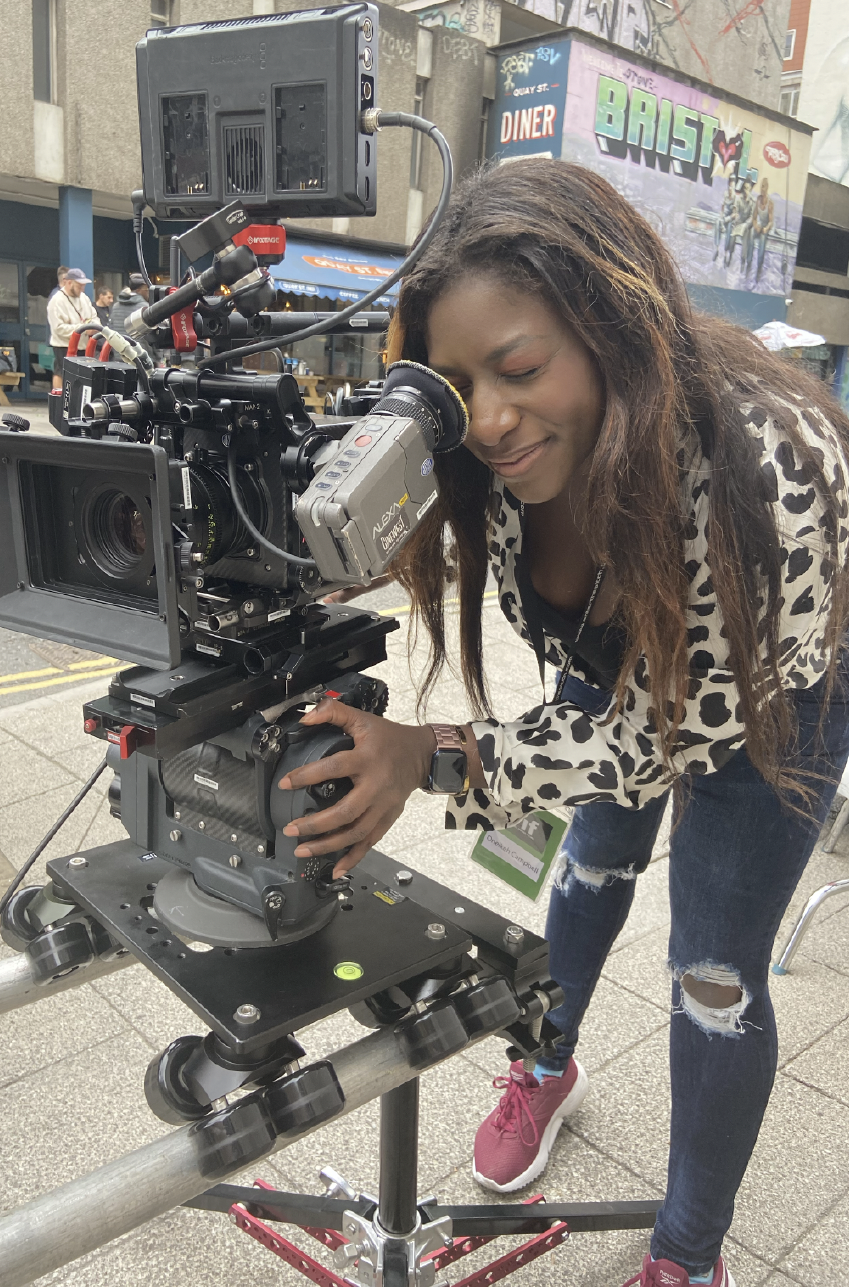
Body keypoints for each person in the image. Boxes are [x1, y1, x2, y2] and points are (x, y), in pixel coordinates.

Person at [275, 159, 849, 1287]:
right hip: (613, 657)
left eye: (520, 367)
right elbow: (600, 724)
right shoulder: (487, 450)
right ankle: (548, 1063)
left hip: (777, 692)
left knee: (714, 981)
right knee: (588, 871)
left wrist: (432, 758)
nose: (487, 419)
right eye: (452, 385)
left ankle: (687, 1254)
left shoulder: (766, 462)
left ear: (613, 332)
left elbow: (660, 743)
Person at [46, 267, 97, 379]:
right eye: (79, 285)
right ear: (69, 283)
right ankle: (61, 396)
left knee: (82, 379)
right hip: (64, 347)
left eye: (83, 286)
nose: (82, 289)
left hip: (83, 347)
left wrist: (94, 327)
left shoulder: (84, 298)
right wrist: (83, 328)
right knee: (66, 378)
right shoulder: (56, 301)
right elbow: (58, 329)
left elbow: (94, 317)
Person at [749, 178, 775, 284]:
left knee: (762, 245)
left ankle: (759, 269)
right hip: (760, 226)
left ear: (767, 187)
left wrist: (766, 228)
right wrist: (756, 226)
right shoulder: (758, 200)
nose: (762, 189)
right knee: (750, 234)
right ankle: (749, 262)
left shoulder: (770, 203)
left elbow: (771, 221)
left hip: (766, 227)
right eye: (761, 186)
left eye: (764, 186)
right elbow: (754, 217)